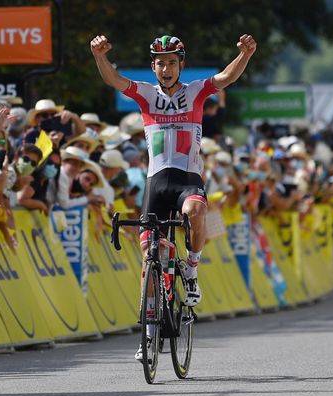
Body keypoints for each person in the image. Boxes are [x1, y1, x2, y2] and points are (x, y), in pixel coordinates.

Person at [91, 32, 256, 359]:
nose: (165, 69)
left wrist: (245, 54)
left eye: (171, 63)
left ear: (182, 65)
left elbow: (227, 76)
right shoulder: (145, 95)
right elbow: (113, 79)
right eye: (160, 63)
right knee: (148, 258)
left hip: (186, 179)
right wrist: (99, 55)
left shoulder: (196, 92)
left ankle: (192, 270)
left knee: (196, 212)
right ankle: (148, 335)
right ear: (152, 67)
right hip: (156, 183)